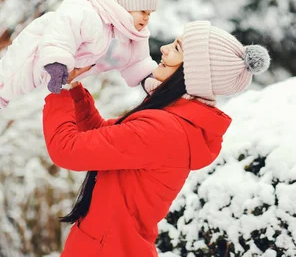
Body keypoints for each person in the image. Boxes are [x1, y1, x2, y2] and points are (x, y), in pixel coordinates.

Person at [42, 21, 270, 257]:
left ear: (193, 73)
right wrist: (74, 91)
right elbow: (102, 141)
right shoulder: (173, 121)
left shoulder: (164, 130)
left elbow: (67, 150)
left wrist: (57, 93)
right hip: (110, 245)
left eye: (177, 48)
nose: (164, 49)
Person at [0, 0, 160, 141]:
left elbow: (139, 63)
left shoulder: (134, 36)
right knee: (19, 80)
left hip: (67, 66)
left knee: (29, 79)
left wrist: (153, 84)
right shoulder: (89, 11)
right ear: (124, 5)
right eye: (142, 11)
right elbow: (63, 31)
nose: (147, 18)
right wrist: (57, 62)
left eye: (150, 14)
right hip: (43, 45)